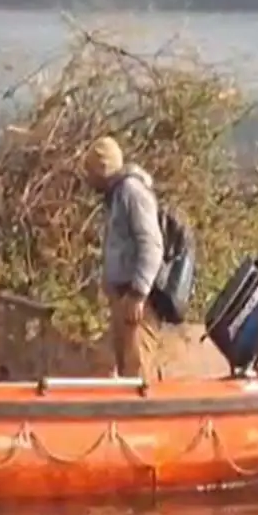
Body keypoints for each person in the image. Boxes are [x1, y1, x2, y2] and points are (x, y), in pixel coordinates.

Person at [83, 136, 165, 382]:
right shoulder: (117, 196)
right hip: (123, 299)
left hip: (136, 302)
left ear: (102, 170)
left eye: (90, 172)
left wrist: (138, 293)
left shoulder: (132, 193)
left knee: (138, 374)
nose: (88, 179)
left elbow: (151, 245)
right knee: (123, 372)